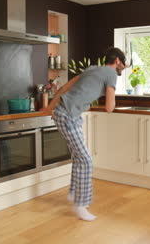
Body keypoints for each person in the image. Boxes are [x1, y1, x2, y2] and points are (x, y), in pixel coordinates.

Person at [44, 47, 127, 221]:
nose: (122, 68)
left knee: (79, 156)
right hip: (68, 115)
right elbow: (109, 107)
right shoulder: (110, 73)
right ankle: (81, 204)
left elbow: (66, 87)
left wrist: (50, 108)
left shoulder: (92, 69)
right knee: (86, 159)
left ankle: (74, 194)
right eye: (122, 64)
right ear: (117, 61)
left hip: (66, 113)